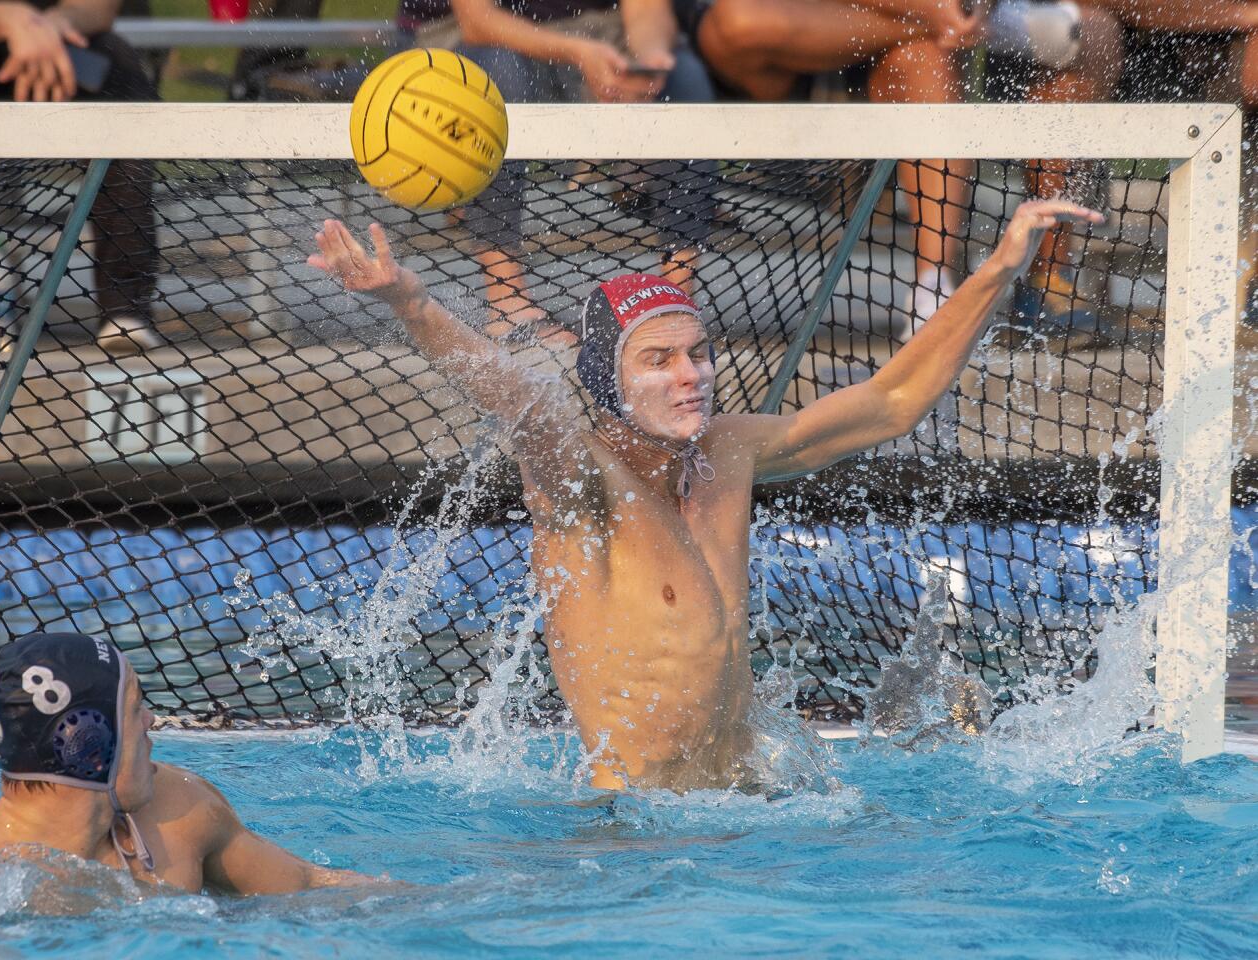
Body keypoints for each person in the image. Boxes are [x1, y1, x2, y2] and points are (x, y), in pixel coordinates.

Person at [308, 196, 1103, 792]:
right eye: (658, 360)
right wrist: (409, 303)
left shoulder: (729, 452)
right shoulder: (579, 481)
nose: (689, 377)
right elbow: (521, 402)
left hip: (750, 805)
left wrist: (998, 267)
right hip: (637, 832)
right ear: (607, 378)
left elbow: (893, 403)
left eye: (697, 354)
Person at [672, 0, 1124, 335]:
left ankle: (945, 292)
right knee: (741, 22)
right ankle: (931, 20)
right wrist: (926, 11)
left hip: (921, 44)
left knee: (1094, 34)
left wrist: (971, 8)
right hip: (800, 34)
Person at [0, 632, 378, 894]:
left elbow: (307, 885)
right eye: (135, 708)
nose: (152, 722)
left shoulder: (180, 812)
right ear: (87, 741)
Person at [397, 0, 715, 342]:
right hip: (461, 37)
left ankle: (671, 305)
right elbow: (478, 22)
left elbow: (646, 11)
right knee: (494, 75)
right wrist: (579, 53)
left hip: (598, 32)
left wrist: (649, 59)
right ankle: (507, 303)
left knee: (686, 77)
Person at [0, 0, 163, 354]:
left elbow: (100, 8)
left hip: (52, 42)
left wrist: (50, 25)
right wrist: (9, 20)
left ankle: (125, 309)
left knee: (118, 70)